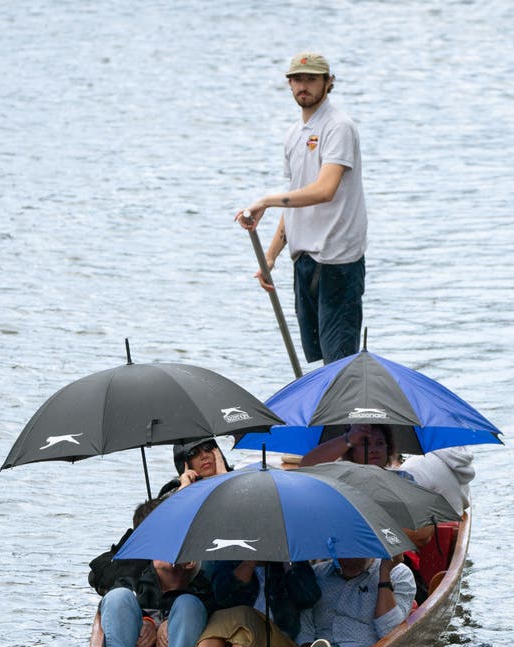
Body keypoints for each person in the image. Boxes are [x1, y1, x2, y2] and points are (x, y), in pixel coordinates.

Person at [236, 51, 367, 365]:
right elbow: (298, 197)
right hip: (304, 259)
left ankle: (346, 401)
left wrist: (266, 200)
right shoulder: (294, 134)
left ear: (328, 82)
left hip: (338, 260)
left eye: (311, 79)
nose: (303, 86)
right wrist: (270, 256)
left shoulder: (338, 127)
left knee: (340, 363)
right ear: (289, 84)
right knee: (320, 361)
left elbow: (324, 190)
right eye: (297, 79)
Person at [193, 560, 320, 647]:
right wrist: (250, 561)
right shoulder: (231, 559)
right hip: (237, 638)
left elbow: (308, 597)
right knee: (226, 618)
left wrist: (287, 562)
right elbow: (222, 598)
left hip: (279, 645)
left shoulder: (293, 561)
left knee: (242, 616)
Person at [297, 555, 416, 647]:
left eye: (356, 554)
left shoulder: (398, 574)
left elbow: (390, 634)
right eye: (343, 553)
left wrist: (384, 574)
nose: (349, 560)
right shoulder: (317, 573)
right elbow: (305, 625)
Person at [98, 558, 213, 647]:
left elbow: (209, 612)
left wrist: (168, 621)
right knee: (118, 596)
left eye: (167, 549)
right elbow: (108, 605)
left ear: (189, 563)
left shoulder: (202, 590)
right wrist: (147, 620)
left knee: (189, 603)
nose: (159, 553)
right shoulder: (135, 577)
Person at [156, 436, 231, 497]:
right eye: (193, 453)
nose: (204, 455)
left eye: (207, 448)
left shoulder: (235, 478)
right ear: (185, 462)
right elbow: (166, 510)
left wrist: (224, 478)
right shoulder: (174, 491)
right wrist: (185, 488)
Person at [298, 423, 399, 469]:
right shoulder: (341, 476)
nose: (373, 450)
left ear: (388, 447)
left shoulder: (400, 480)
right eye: (365, 444)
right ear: (351, 451)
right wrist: (349, 438)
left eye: (379, 443)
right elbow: (306, 464)